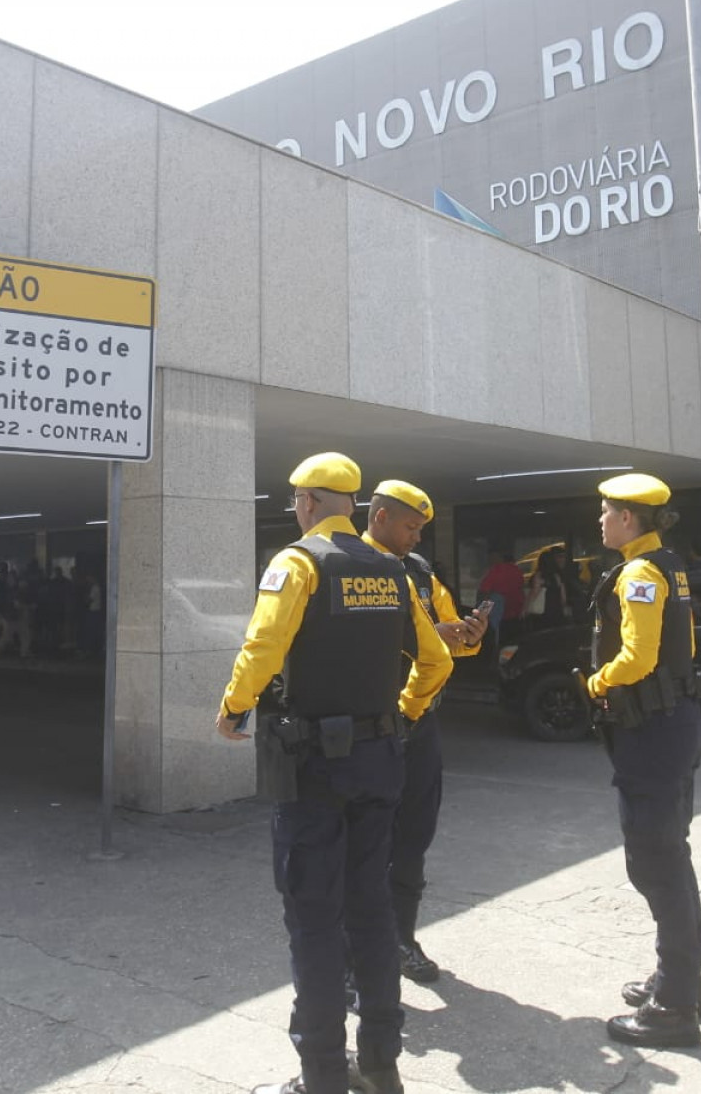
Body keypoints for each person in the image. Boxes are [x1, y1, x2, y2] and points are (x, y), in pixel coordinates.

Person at [215, 453, 450, 1094]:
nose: (295, 510)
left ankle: (322, 1074)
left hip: (315, 768)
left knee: (314, 920)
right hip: (380, 762)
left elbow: (262, 646)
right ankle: (381, 1067)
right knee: (371, 912)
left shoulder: (298, 562)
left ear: (312, 503)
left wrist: (234, 707)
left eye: (296, 500)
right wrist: (399, 717)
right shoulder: (395, 572)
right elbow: (436, 662)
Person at [584, 473, 701, 1050]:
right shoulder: (668, 564)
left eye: (606, 513)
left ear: (629, 519)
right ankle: (682, 977)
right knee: (669, 852)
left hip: (652, 729)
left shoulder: (638, 572)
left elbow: (638, 657)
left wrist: (596, 681)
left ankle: (675, 1007)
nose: (601, 522)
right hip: (673, 722)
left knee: (654, 859)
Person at [363, 479, 488, 986]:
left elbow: (444, 635)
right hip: (371, 724)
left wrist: (467, 637)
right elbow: (362, 638)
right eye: (410, 527)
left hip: (420, 723)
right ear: (379, 518)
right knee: (367, 842)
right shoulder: (351, 567)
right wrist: (431, 636)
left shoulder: (419, 572)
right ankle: (360, 954)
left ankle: (401, 937)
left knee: (413, 837)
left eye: (421, 529)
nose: (417, 538)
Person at [476, 551, 526, 636]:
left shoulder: (498, 569)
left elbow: (485, 592)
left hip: (498, 617)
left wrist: (481, 614)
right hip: (515, 614)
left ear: (499, 557)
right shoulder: (518, 571)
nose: (489, 560)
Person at [526, 548, 569, 628]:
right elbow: (563, 598)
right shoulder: (557, 576)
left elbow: (534, 592)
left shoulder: (539, 576)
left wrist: (526, 608)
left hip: (543, 614)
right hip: (557, 613)